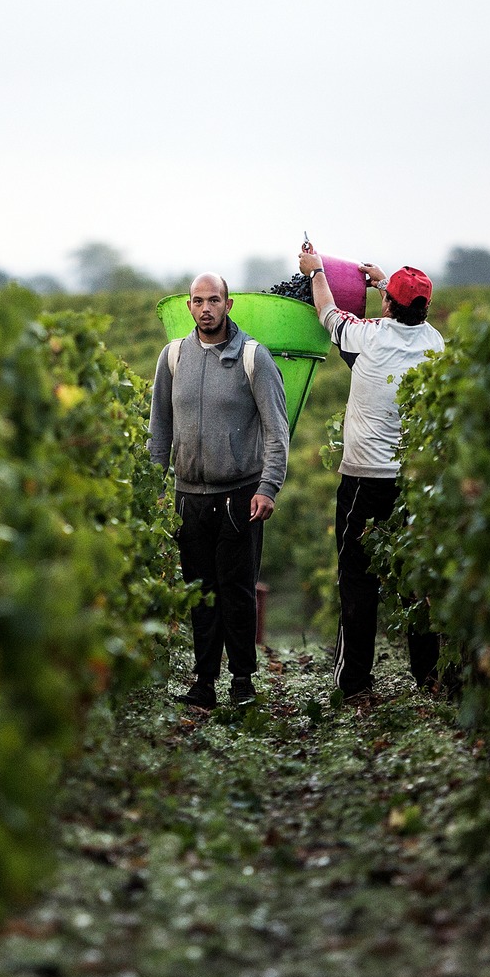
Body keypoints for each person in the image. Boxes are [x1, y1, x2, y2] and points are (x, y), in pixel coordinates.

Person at [296, 243, 445, 699]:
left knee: (357, 580)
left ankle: (355, 682)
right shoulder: (435, 343)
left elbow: (328, 314)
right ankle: (430, 677)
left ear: (387, 306)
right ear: (425, 308)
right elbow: (402, 312)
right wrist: (384, 283)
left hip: (365, 480)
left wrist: (316, 270)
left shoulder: (369, 337)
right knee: (415, 580)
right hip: (416, 484)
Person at [149, 273, 290, 710]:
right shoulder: (173, 357)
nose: (205, 308)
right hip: (188, 496)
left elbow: (277, 429)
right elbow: (159, 430)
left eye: (214, 300)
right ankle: (204, 682)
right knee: (200, 592)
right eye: (198, 301)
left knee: (238, 591)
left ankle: (243, 681)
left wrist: (268, 487)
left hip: (239, 496)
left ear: (228, 305)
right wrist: (155, 489)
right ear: (189, 307)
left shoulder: (253, 357)